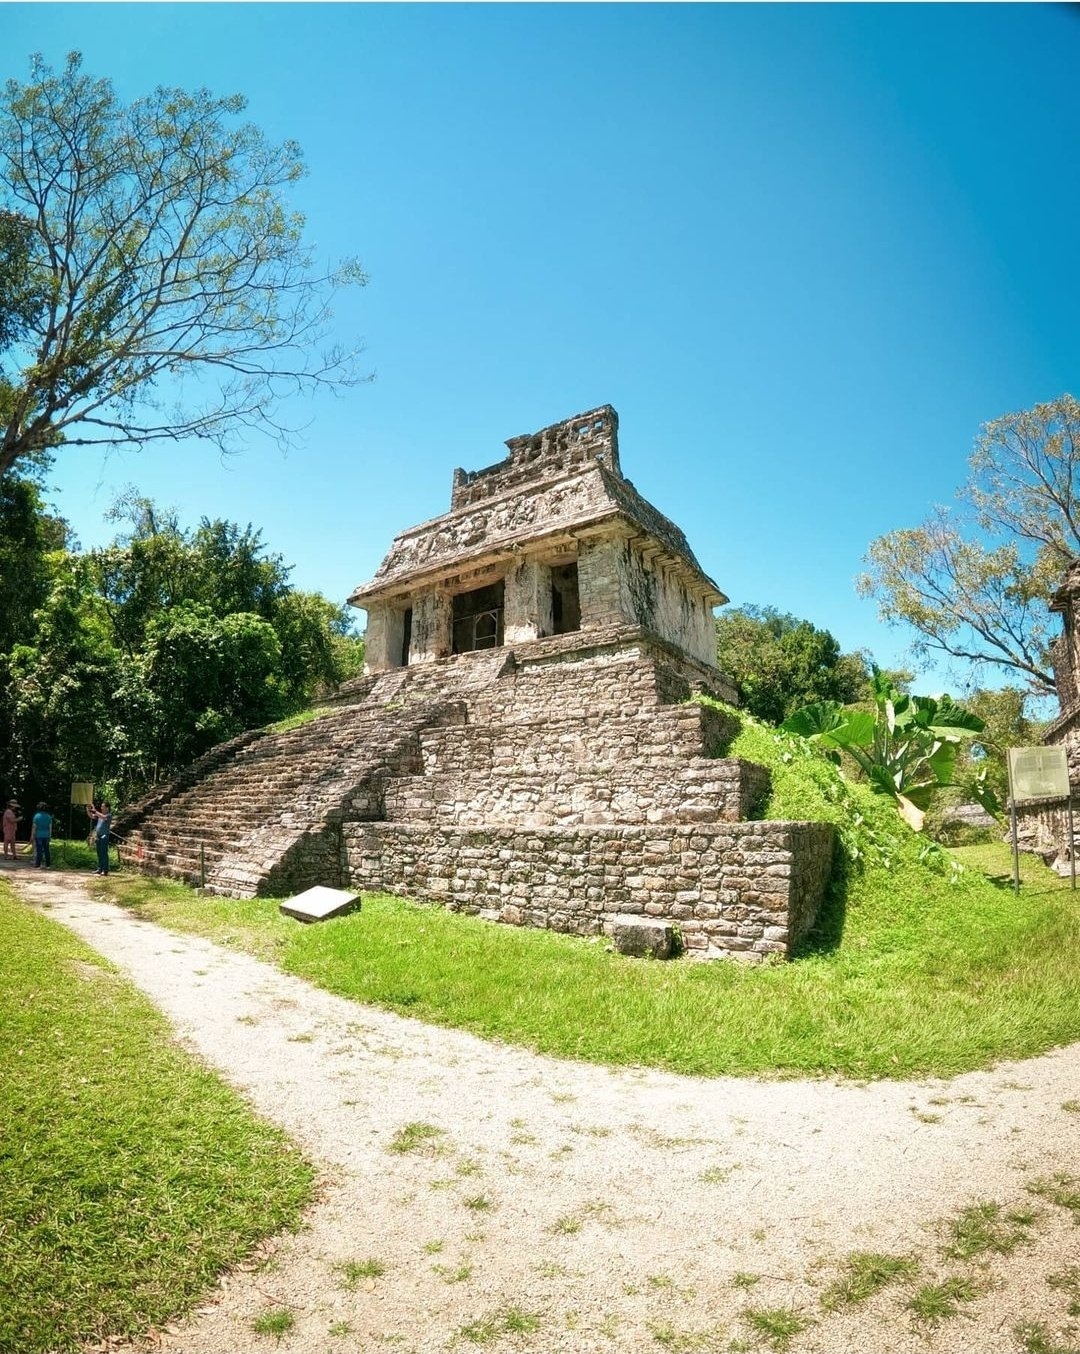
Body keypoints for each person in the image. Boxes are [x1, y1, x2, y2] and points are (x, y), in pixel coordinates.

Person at [87, 800, 112, 876]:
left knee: (104, 853)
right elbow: (91, 816)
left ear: (107, 808)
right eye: (101, 806)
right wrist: (88, 809)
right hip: (98, 836)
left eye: (103, 806)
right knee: (99, 853)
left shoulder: (108, 815)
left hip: (104, 836)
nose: (101, 808)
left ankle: (105, 870)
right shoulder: (100, 815)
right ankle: (99, 869)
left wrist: (95, 811)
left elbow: (103, 817)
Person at [31, 802, 53, 869]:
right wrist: (50, 836)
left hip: (38, 835)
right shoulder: (49, 816)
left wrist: (32, 835)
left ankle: (38, 865)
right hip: (46, 835)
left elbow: (34, 827)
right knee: (47, 850)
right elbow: (50, 828)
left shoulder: (36, 816)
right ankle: (48, 865)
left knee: (39, 850)